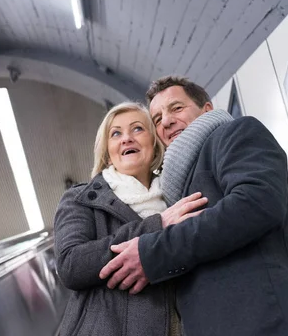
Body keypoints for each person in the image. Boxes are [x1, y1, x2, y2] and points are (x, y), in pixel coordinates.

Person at [99, 77, 288, 336]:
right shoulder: (175, 186)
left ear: (207, 109)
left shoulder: (236, 132)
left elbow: (256, 203)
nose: (167, 121)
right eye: (158, 119)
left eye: (176, 108)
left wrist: (154, 252)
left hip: (265, 323)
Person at [54, 102, 208, 336]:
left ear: (155, 146)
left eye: (137, 129)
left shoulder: (177, 199)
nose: (127, 138)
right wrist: (158, 225)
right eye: (116, 133)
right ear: (107, 153)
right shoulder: (81, 198)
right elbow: (70, 264)